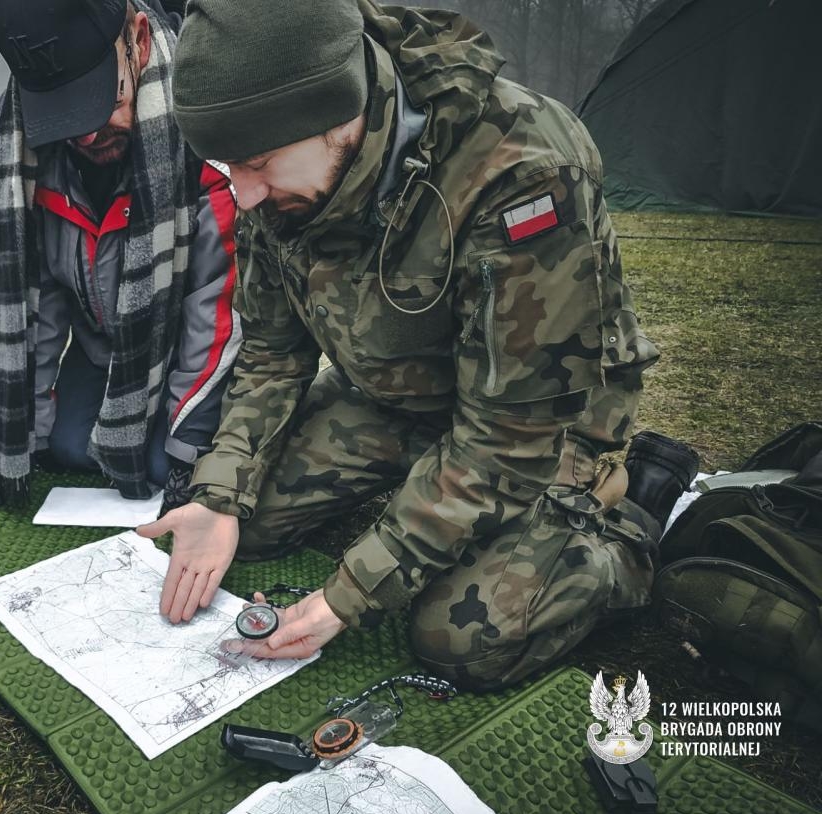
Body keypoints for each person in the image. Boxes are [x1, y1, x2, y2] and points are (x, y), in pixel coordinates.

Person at [140, 0, 666, 690]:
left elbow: (505, 437)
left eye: (260, 161)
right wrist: (220, 494)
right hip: (402, 398)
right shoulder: (279, 182)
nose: (244, 193)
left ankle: (621, 529)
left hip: (541, 431)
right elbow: (271, 355)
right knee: (247, 524)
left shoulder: (521, 168)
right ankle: (414, 493)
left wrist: (347, 595)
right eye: (229, 163)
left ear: (340, 116)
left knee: (463, 638)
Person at [0, 0, 240, 510]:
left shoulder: (204, 141)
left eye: (101, 99)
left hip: (188, 351)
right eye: (61, 114)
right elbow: (39, 307)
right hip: (105, 350)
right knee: (71, 449)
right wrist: (23, 434)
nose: (86, 135)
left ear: (138, 42)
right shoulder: (31, 165)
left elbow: (213, 310)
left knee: (166, 464)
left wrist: (187, 451)